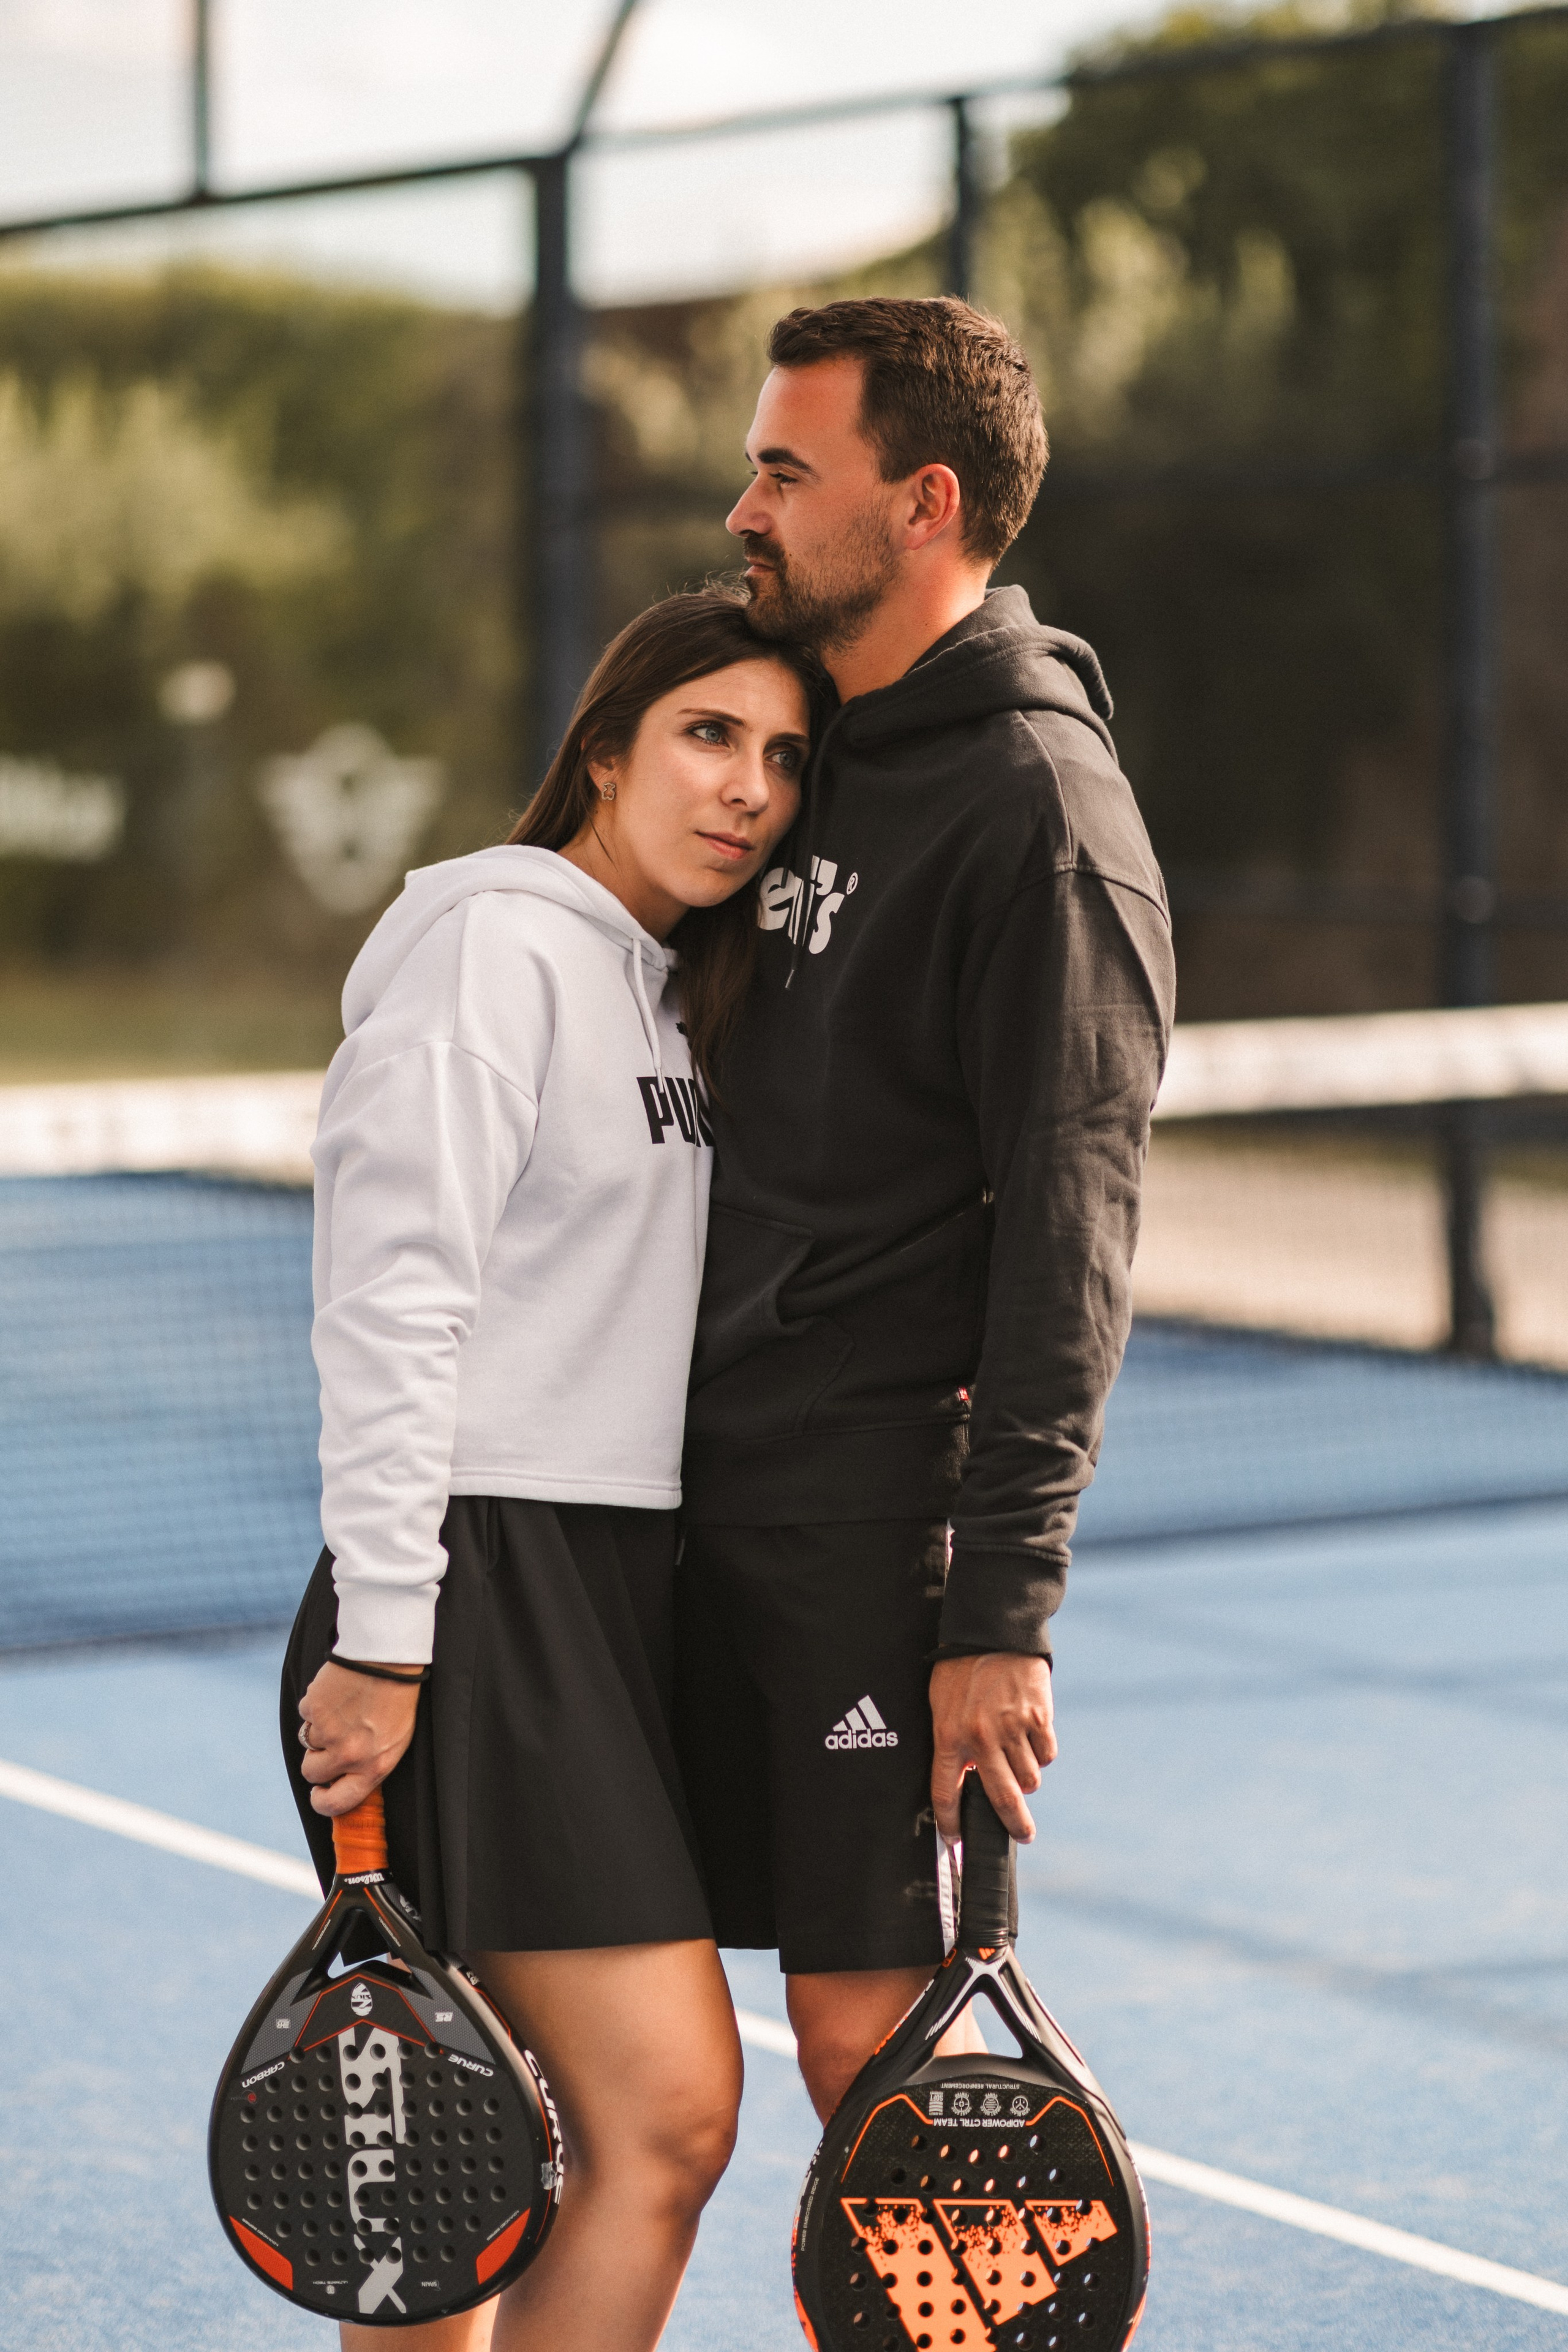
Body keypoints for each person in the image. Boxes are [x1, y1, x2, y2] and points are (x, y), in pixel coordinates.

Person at [279, 588, 816, 2352]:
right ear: (605, 749)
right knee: (653, 2114)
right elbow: (390, 1306)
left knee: (456, 2163)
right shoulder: (489, 950)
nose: (749, 787)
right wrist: (391, 1632)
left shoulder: (668, 987)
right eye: (709, 735)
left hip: (603, 1588)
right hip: (471, 1591)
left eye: (786, 760)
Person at [673, 297, 1177, 2123]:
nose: (745, 507)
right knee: (629, 2072)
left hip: (872, 1546)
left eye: (787, 470)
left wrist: (1000, 1614)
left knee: (870, 2085)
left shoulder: (1040, 812)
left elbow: (1075, 1231)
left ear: (925, 502)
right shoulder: (791, 751)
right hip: (672, 1508)